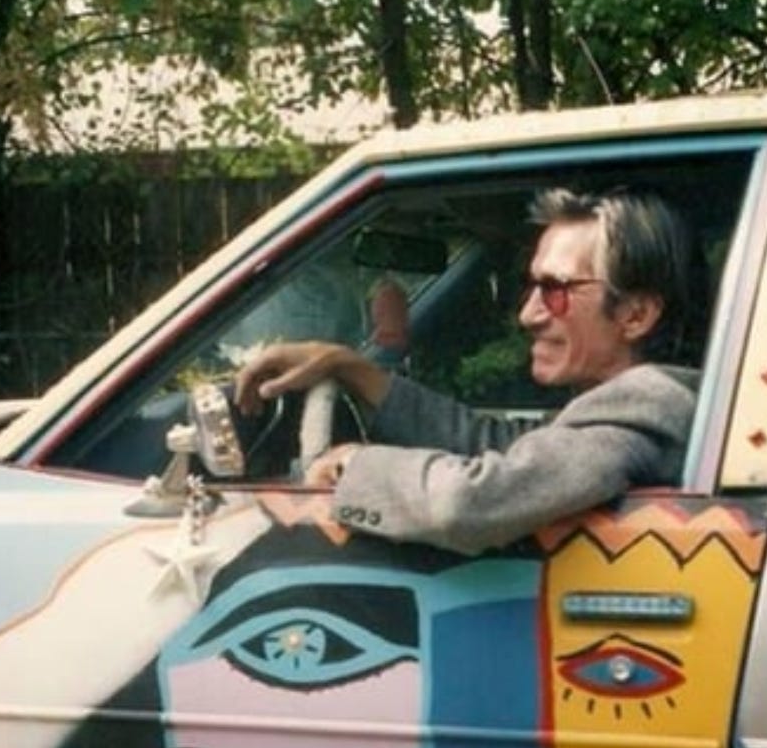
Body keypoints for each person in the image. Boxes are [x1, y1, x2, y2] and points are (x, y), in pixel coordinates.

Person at [234, 186, 703, 556]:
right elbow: (505, 447)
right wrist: (352, 369)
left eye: (555, 290)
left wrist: (351, 464)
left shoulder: (646, 406)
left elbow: (472, 502)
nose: (528, 315)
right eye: (530, 287)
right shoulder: (619, 412)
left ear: (635, 315)